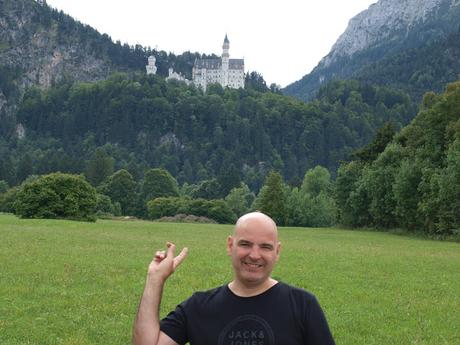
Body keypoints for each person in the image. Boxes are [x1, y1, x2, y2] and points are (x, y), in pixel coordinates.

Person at [132, 211, 335, 345]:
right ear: (231, 245)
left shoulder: (302, 304)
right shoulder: (198, 307)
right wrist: (155, 280)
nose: (254, 255)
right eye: (246, 244)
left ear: (277, 251)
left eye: (265, 247)